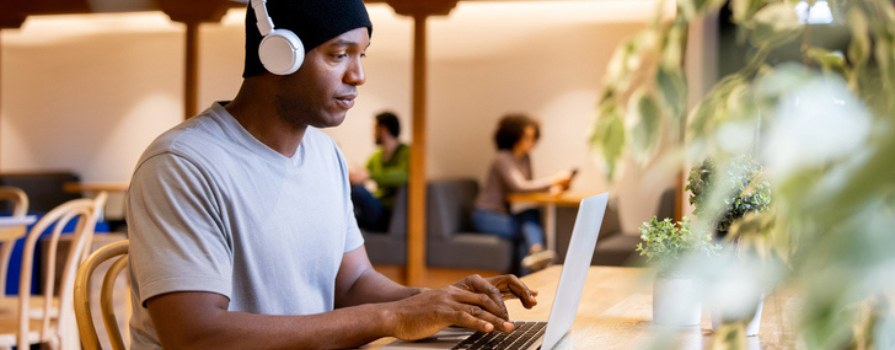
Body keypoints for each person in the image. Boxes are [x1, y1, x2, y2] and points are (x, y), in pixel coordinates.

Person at [124, 1, 537, 349]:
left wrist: (444, 302)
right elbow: (196, 336)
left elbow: (353, 282)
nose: (358, 76)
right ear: (278, 55)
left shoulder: (325, 154)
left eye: (362, 55)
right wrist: (392, 317)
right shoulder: (182, 164)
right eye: (339, 55)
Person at [472, 114, 573, 274]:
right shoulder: (502, 159)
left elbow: (529, 187)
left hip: (505, 214)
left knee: (530, 218)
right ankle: (536, 253)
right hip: (487, 216)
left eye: (533, 137)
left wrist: (553, 188)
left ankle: (530, 267)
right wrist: (554, 180)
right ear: (515, 136)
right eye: (527, 137)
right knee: (529, 226)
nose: (531, 142)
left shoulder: (525, 158)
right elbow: (520, 186)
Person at [349, 111, 410, 231]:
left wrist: (370, 175)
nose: (373, 133)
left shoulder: (406, 152)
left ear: (384, 129)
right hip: (376, 205)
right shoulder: (377, 156)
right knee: (350, 189)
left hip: (389, 212)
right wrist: (355, 176)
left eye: (375, 129)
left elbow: (404, 176)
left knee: (357, 191)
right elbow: (363, 173)